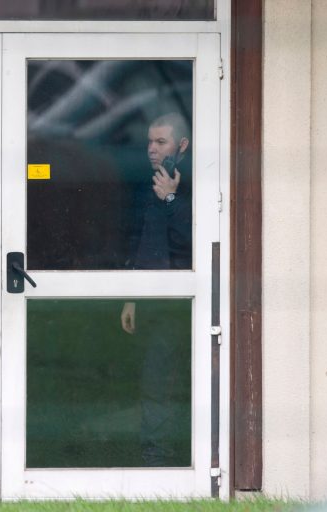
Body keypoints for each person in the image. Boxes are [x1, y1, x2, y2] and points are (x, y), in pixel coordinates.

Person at [120, 112, 193, 467]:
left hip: (187, 296)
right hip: (152, 297)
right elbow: (140, 242)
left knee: (173, 377)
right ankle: (157, 454)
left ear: (182, 145)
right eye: (149, 141)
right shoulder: (146, 182)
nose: (151, 149)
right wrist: (130, 297)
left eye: (160, 142)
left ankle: (171, 455)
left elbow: (200, 241)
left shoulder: (198, 178)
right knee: (155, 376)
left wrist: (172, 200)